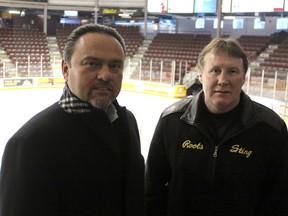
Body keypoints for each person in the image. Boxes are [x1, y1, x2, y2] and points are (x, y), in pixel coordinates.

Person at [0, 23, 144, 216]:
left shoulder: (127, 121)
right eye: (92, 63)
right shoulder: (30, 143)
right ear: (66, 69)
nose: (105, 75)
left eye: (115, 66)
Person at [145, 37, 288, 215]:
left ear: (244, 77)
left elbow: (278, 198)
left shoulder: (271, 129)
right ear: (201, 75)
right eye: (215, 70)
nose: (223, 80)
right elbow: (152, 188)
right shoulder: (172, 120)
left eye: (232, 71)